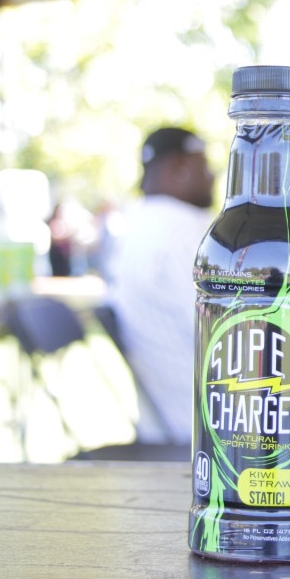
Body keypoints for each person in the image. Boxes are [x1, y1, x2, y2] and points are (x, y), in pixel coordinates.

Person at [105, 127, 214, 444]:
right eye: (203, 165)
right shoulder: (183, 234)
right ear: (178, 170)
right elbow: (231, 337)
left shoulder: (136, 226)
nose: (212, 176)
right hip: (202, 429)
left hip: (164, 419)